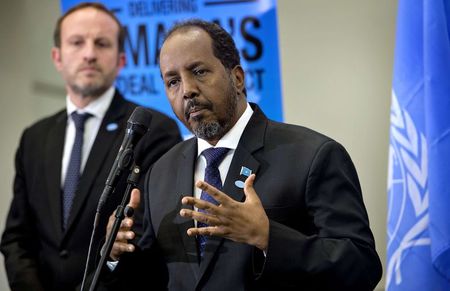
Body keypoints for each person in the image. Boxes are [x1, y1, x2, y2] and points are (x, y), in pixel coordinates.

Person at [105, 19, 382, 290]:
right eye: (173, 82)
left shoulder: (312, 156)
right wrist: (117, 257)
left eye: (199, 71)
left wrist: (268, 237)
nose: (187, 90)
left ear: (237, 78)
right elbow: (157, 277)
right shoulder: (160, 173)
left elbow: (361, 267)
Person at [0, 3, 182, 291]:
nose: (89, 53)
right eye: (76, 42)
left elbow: (147, 236)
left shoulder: (153, 130)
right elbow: (16, 238)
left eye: (101, 43)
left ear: (121, 59)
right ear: (57, 57)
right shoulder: (34, 137)